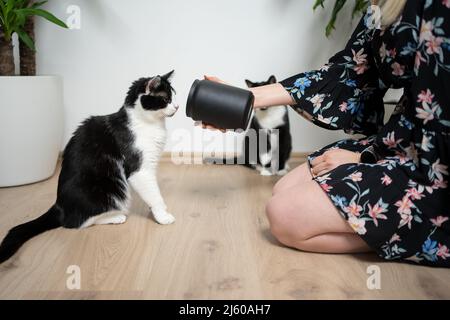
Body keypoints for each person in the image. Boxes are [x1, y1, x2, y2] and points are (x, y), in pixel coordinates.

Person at [202, 0, 450, 267]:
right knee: (284, 189)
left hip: (435, 162)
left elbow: (440, 105)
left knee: (284, 216)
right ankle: (399, 234)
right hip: (400, 140)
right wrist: (245, 99)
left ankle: (434, 236)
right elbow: (351, 71)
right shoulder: (384, 3)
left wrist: (365, 159)